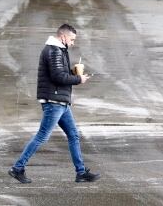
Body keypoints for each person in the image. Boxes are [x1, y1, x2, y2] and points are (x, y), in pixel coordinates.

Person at [8, 24, 100, 184]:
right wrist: (79, 79)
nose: (72, 43)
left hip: (60, 101)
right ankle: (17, 168)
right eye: (71, 39)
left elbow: (59, 74)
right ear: (63, 37)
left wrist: (72, 73)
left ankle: (81, 172)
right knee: (42, 136)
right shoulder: (53, 51)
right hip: (54, 101)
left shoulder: (58, 50)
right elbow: (58, 77)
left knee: (73, 135)